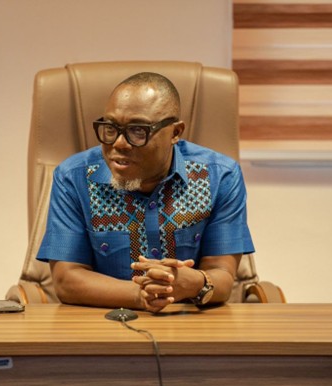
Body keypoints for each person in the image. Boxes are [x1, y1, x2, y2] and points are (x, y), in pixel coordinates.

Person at [37, 72, 254, 313]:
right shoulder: (73, 178)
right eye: (110, 128)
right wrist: (141, 295)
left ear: (175, 133)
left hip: (191, 321)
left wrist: (193, 283)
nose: (119, 143)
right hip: (103, 323)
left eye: (138, 131)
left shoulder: (219, 176)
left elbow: (223, 277)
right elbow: (66, 280)